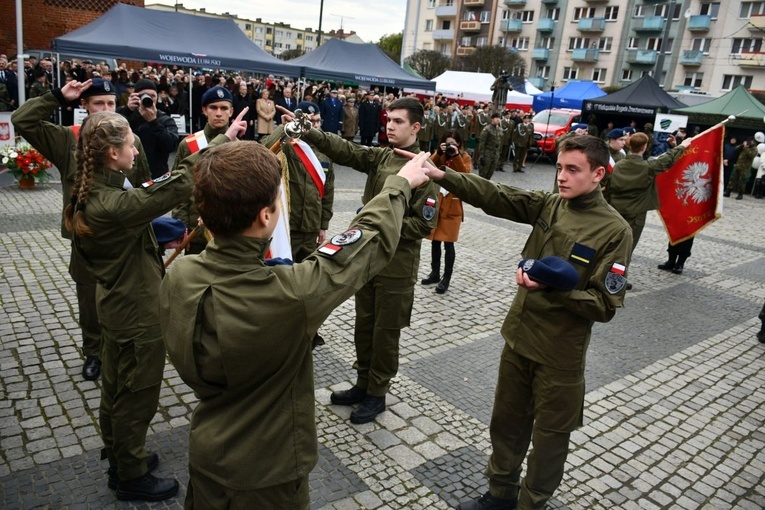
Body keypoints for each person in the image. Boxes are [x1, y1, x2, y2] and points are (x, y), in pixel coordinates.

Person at [158, 140, 432, 510]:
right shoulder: (288, 295)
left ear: (203, 214)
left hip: (209, 451)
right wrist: (398, 185)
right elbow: (365, 245)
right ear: (266, 216)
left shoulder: (180, 275)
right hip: (268, 473)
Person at [412, 135, 633, 510]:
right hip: (518, 339)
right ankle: (500, 495)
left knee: (549, 441)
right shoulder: (552, 204)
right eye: (560, 167)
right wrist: (443, 174)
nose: (561, 177)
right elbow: (498, 195)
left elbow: (605, 304)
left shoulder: (615, 231)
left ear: (598, 174)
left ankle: (532, 505)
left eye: (572, 170)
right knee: (507, 425)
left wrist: (553, 289)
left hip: (559, 356)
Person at [64, 109, 243, 501]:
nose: (135, 149)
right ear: (112, 153)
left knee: (114, 388)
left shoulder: (94, 187)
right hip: (136, 314)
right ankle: (129, 474)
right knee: (135, 395)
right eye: (130, 144)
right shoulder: (110, 202)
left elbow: (150, 192)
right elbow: (175, 184)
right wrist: (221, 142)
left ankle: (120, 455)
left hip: (116, 305)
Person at [294, 97, 440, 424]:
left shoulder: (424, 171)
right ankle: (362, 383)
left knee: (385, 333)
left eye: (399, 121)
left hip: (397, 269)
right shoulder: (381, 156)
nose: (389, 125)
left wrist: (378, 222)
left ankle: (378, 392)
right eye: (389, 119)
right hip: (367, 262)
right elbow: (346, 150)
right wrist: (311, 132)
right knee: (364, 326)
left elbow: (425, 225)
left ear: (416, 127)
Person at [12, 78, 151, 382]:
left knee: (130, 295)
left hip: (125, 239)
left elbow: (144, 188)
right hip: (87, 240)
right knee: (90, 300)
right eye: (98, 103)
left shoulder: (132, 142)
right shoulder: (68, 140)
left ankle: (128, 348)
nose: (106, 109)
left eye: (111, 103)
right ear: (84, 107)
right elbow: (21, 120)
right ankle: (94, 352)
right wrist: (56, 96)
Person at [172, 86, 235, 255]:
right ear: (204, 110)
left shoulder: (240, 146)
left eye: (224, 108)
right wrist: (181, 227)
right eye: (213, 108)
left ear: (231, 111)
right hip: (196, 232)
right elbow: (178, 189)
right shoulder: (189, 144)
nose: (219, 113)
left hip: (229, 232)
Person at [606, 132, 690, 255]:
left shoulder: (618, 165)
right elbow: (667, 159)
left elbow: (608, 189)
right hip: (636, 215)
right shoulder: (648, 167)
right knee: (626, 248)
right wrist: (681, 146)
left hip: (615, 211)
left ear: (629, 146)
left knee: (610, 243)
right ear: (644, 147)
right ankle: (617, 272)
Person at [420, 130, 471, 294]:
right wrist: (439, 152)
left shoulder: (465, 157)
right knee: (435, 240)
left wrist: (455, 156)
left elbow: (465, 176)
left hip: (452, 205)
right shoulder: (440, 155)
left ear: (459, 144)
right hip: (437, 202)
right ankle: (434, 273)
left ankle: (446, 278)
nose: (450, 146)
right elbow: (427, 167)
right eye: (447, 143)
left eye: (453, 144)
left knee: (448, 243)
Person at [117, 78, 179, 178]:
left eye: (153, 96)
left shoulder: (165, 119)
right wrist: (127, 110)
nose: (149, 98)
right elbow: (112, 132)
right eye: (144, 95)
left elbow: (171, 145)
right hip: (127, 175)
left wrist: (153, 122)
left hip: (156, 175)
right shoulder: (124, 113)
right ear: (135, 96)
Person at [478, 113, 503, 180]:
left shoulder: (499, 129)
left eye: (499, 118)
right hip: (487, 154)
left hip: (495, 154)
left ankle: (487, 188)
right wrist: (481, 155)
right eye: (496, 118)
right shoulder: (487, 129)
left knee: (490, 173)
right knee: (483, 173)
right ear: (492, 119)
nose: (498, 119)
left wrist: (499, 153)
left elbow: (500, 142)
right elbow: (482, 143)